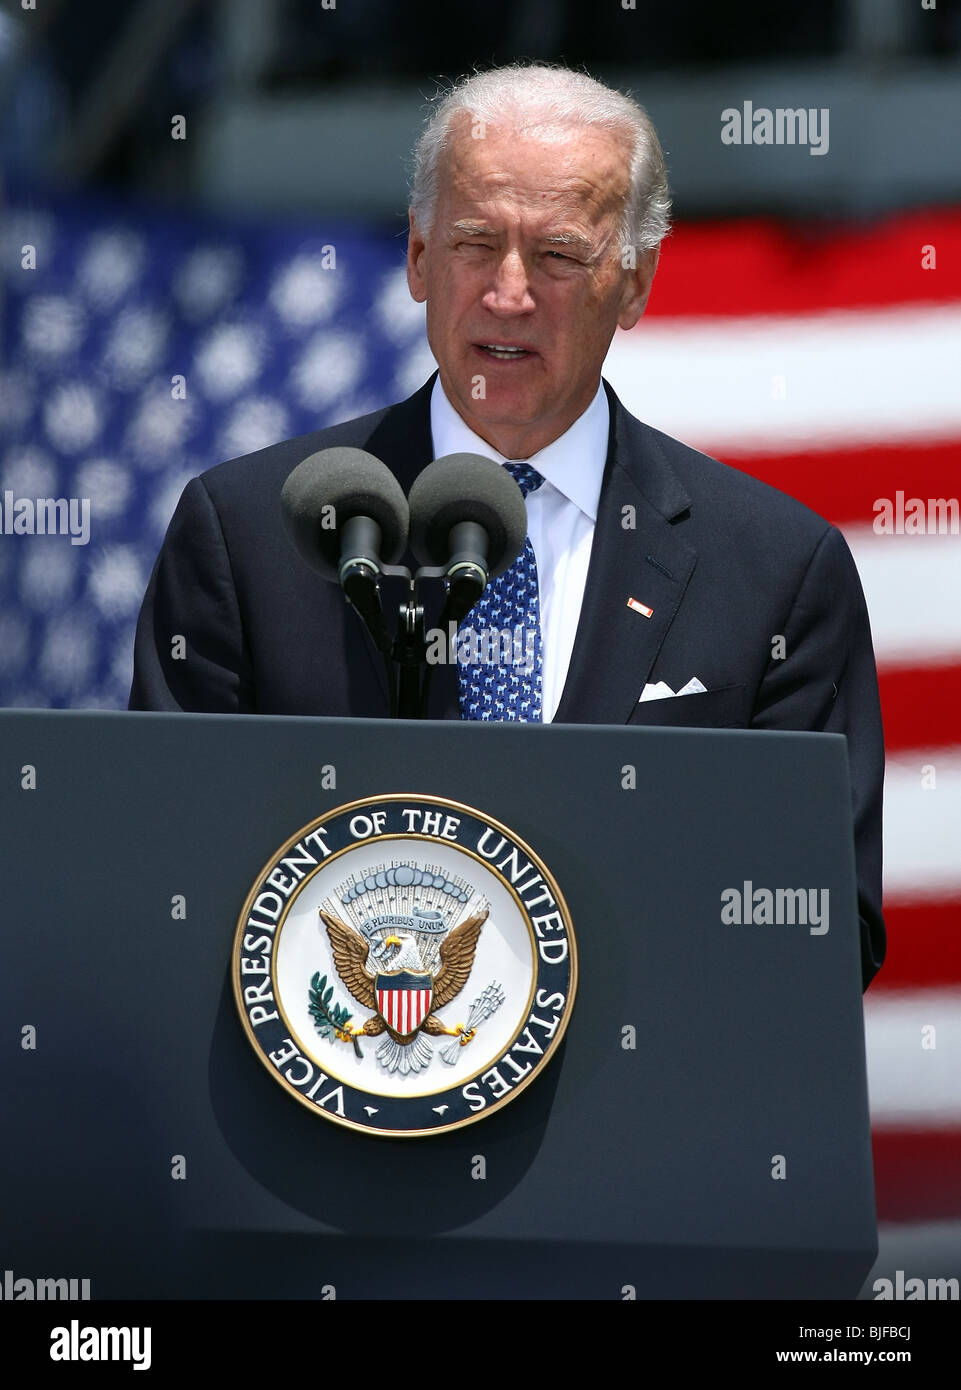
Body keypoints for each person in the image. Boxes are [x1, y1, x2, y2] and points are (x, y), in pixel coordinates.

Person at [129, 63, 885, 987]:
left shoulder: (773, 569)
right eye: (475, 243)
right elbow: (163, 886)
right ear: (416, 257)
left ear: (634, 284)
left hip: (635, 1117)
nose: (509, 292)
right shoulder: (249, 535)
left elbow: (820, 928)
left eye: (560, 254)